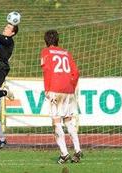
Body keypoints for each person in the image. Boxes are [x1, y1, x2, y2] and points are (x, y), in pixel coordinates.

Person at [40, 29, 82, 164]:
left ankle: (64, 153)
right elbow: (76, 72)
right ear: (57, 40)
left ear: (46, 41)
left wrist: (47, 89)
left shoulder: (46, 52)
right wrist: (71, 87)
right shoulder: (66, 53)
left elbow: (46, 70)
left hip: (55, 88)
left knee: (56, 121)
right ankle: (77, 149)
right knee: (68, 119)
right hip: (69, 89)